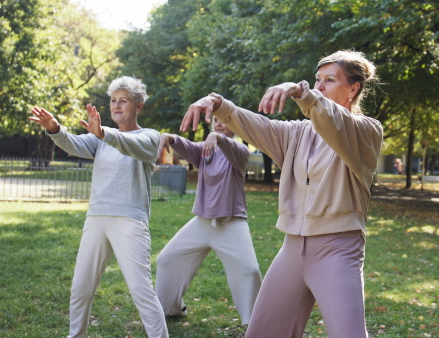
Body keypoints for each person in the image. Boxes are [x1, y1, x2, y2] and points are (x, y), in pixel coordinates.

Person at [180, 50, 383, 338]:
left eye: (329, 80)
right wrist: (218, 104)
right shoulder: (298, 132)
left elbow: (337, 124)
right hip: (292, 249)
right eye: (317, 80)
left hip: (337, 249)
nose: (319, 86)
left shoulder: (367, 132)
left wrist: (303, 94)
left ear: (353, 88)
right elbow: (254, 124)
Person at [28, 76, 168, 338]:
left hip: (129, 220)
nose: (116, 105)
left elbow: (133, 145)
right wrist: (55, 128)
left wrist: (104, 132)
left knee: (141, 291)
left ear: (138, 106)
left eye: (123, 101)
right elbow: (75, 143)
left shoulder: (149, 137)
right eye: (113, 101)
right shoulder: (101, 139)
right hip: (96, 219)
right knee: (80, 288)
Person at [154, 116, 262, 325]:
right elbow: (185, 145)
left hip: (232, 224)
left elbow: (230, 147)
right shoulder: (204, 150)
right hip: (202, 223)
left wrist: (217, 138)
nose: (219, 123)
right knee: (166, 259)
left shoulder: (240, 152)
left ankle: (254, 322)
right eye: (216, 120)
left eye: (225, 120)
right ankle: (170, 309)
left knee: (249, 270)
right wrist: (169, 137)